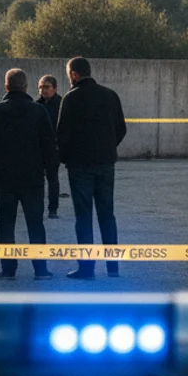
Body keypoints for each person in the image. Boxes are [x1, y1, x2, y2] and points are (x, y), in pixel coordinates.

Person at [56, 57, 127, 280]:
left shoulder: (70, 98)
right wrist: (107, 148)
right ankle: (112, 267)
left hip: (80, 167)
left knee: (83, 217)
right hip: (106, 164)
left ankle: (86, 268)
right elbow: (121, 129)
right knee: (107, 216)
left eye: (69, 74)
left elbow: (62, 135)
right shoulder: (110, 95)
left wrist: (67, 158)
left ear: (74, 74)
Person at [0, 69, 57, 280]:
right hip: (32, 176)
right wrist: (42, 166)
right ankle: (40, 269)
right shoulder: (38, 111)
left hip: (5, 176)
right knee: (35, 223)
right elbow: (49, 145)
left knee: (6, 223)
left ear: (6, 87)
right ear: (26, 87)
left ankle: (8, 269)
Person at [37, 74, 63, 219]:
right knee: (38, 180)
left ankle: (53, 209)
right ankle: (37, 207)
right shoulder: (36, 105)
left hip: (54, 149)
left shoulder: (61, 105)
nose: (43, 90)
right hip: (38, 149)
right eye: (40, 87)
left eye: (46, 87)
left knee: (52, 179)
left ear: (54, 88)